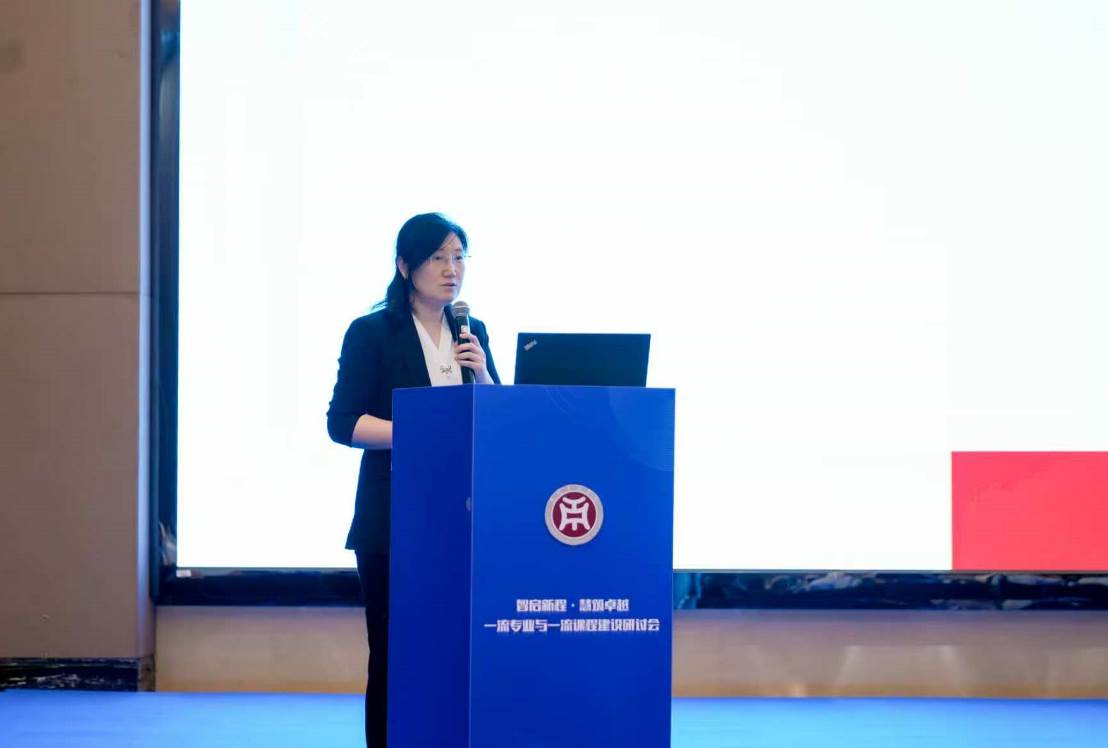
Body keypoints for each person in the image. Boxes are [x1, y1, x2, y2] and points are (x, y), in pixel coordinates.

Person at [326, 213, 499, 748]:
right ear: (405, 266)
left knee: (458, 648)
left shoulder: (472, 331)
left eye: (459, 257)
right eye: (438, 258)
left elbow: (495, 423)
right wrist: (418, 432)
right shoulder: (373, 333)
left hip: (462, 519)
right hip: (394, 519)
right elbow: (343, 423)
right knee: (394, 651)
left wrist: (484, 375)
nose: (452, 270)